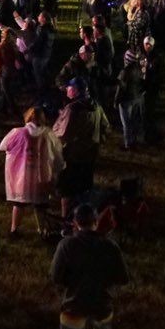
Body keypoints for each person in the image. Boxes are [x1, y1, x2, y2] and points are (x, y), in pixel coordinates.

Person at [50, 203, 129, 329]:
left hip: (74, 304)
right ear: (96, 222)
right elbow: (123, 278)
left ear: (75, 224)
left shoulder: (66, 245)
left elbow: (56, 277)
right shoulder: (110, 246)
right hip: (102, 303)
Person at [0, 107, 65, 238]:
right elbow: (57, 154)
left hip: (21, 176)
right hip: (41, 175)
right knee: (41, 204)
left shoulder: (17, 132)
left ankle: (14, 229)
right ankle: (42, 231)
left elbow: (3, 146)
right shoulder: (48, 134)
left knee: (19, 203)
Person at [53, 80, 108, 222]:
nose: (66, 90)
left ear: (75, 90)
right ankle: (84, 219)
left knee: (67, 190)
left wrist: (60, 120)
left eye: (69, 87)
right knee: (84, 189)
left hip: (72, 157)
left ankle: (66, 221)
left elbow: (62, 134)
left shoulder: (72, 109)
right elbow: (106, 127)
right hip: (90, 155)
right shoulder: (96, 106)